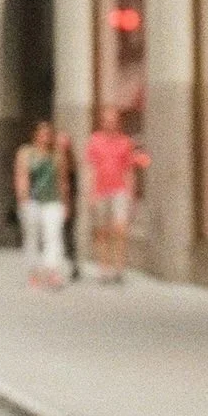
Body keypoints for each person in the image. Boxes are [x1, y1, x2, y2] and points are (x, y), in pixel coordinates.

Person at [14, 120, 66, 289]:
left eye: (48, 133)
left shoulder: (56, 154)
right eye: (42, 133)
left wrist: (65, 201)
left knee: (53, 235)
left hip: (52, 200)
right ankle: (34, 271)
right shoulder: (26, 152)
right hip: (32, 200)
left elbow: (62, 179)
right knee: (32, 237)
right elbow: (21, 175)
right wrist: (23, 198)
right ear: (35, 134)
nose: (45, 137)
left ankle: (52, 270)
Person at [85, 106, 135, 284]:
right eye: (107, 120)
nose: (110, 123)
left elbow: (129, 170)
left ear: (118, 122)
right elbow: (91, 169)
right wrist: (90, 194)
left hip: (119, 190)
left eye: (113, 120)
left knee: (120, 230)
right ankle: (104, 268)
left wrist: (130, 194)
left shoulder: (125, 142)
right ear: (103, 122)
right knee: (102, 231)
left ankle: (119, 268)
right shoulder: (95, 140)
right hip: (100, 190)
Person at [56, 130, 81, 281]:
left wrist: (69, 204)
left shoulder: (71, 164)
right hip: (54, 201)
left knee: (68, 234)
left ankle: (72, 264)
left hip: (68, 202)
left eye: (64, 143)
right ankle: (60, 265)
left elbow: (72, 187)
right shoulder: (53, 160)